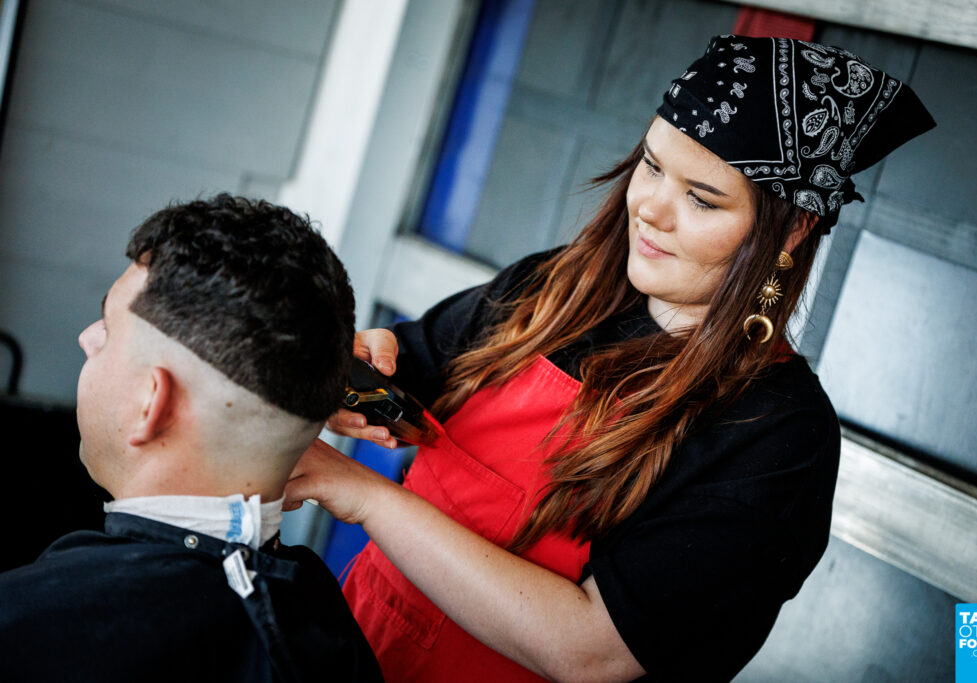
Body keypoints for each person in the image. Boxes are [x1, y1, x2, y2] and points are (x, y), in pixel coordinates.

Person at [284, 35, 935, 681]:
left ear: (792, 228)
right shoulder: (553, 289)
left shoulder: (777, 433)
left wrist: (362, 495)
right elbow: (406, 372)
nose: (649, 208)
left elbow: (591, 652)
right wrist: (355, 375)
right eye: (651, 166)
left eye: (700, 199)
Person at [0, 195, 383, 682]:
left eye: (109, 328)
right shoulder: (328, 628)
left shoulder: (32, 634)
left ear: (150, 404)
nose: (87, 338)